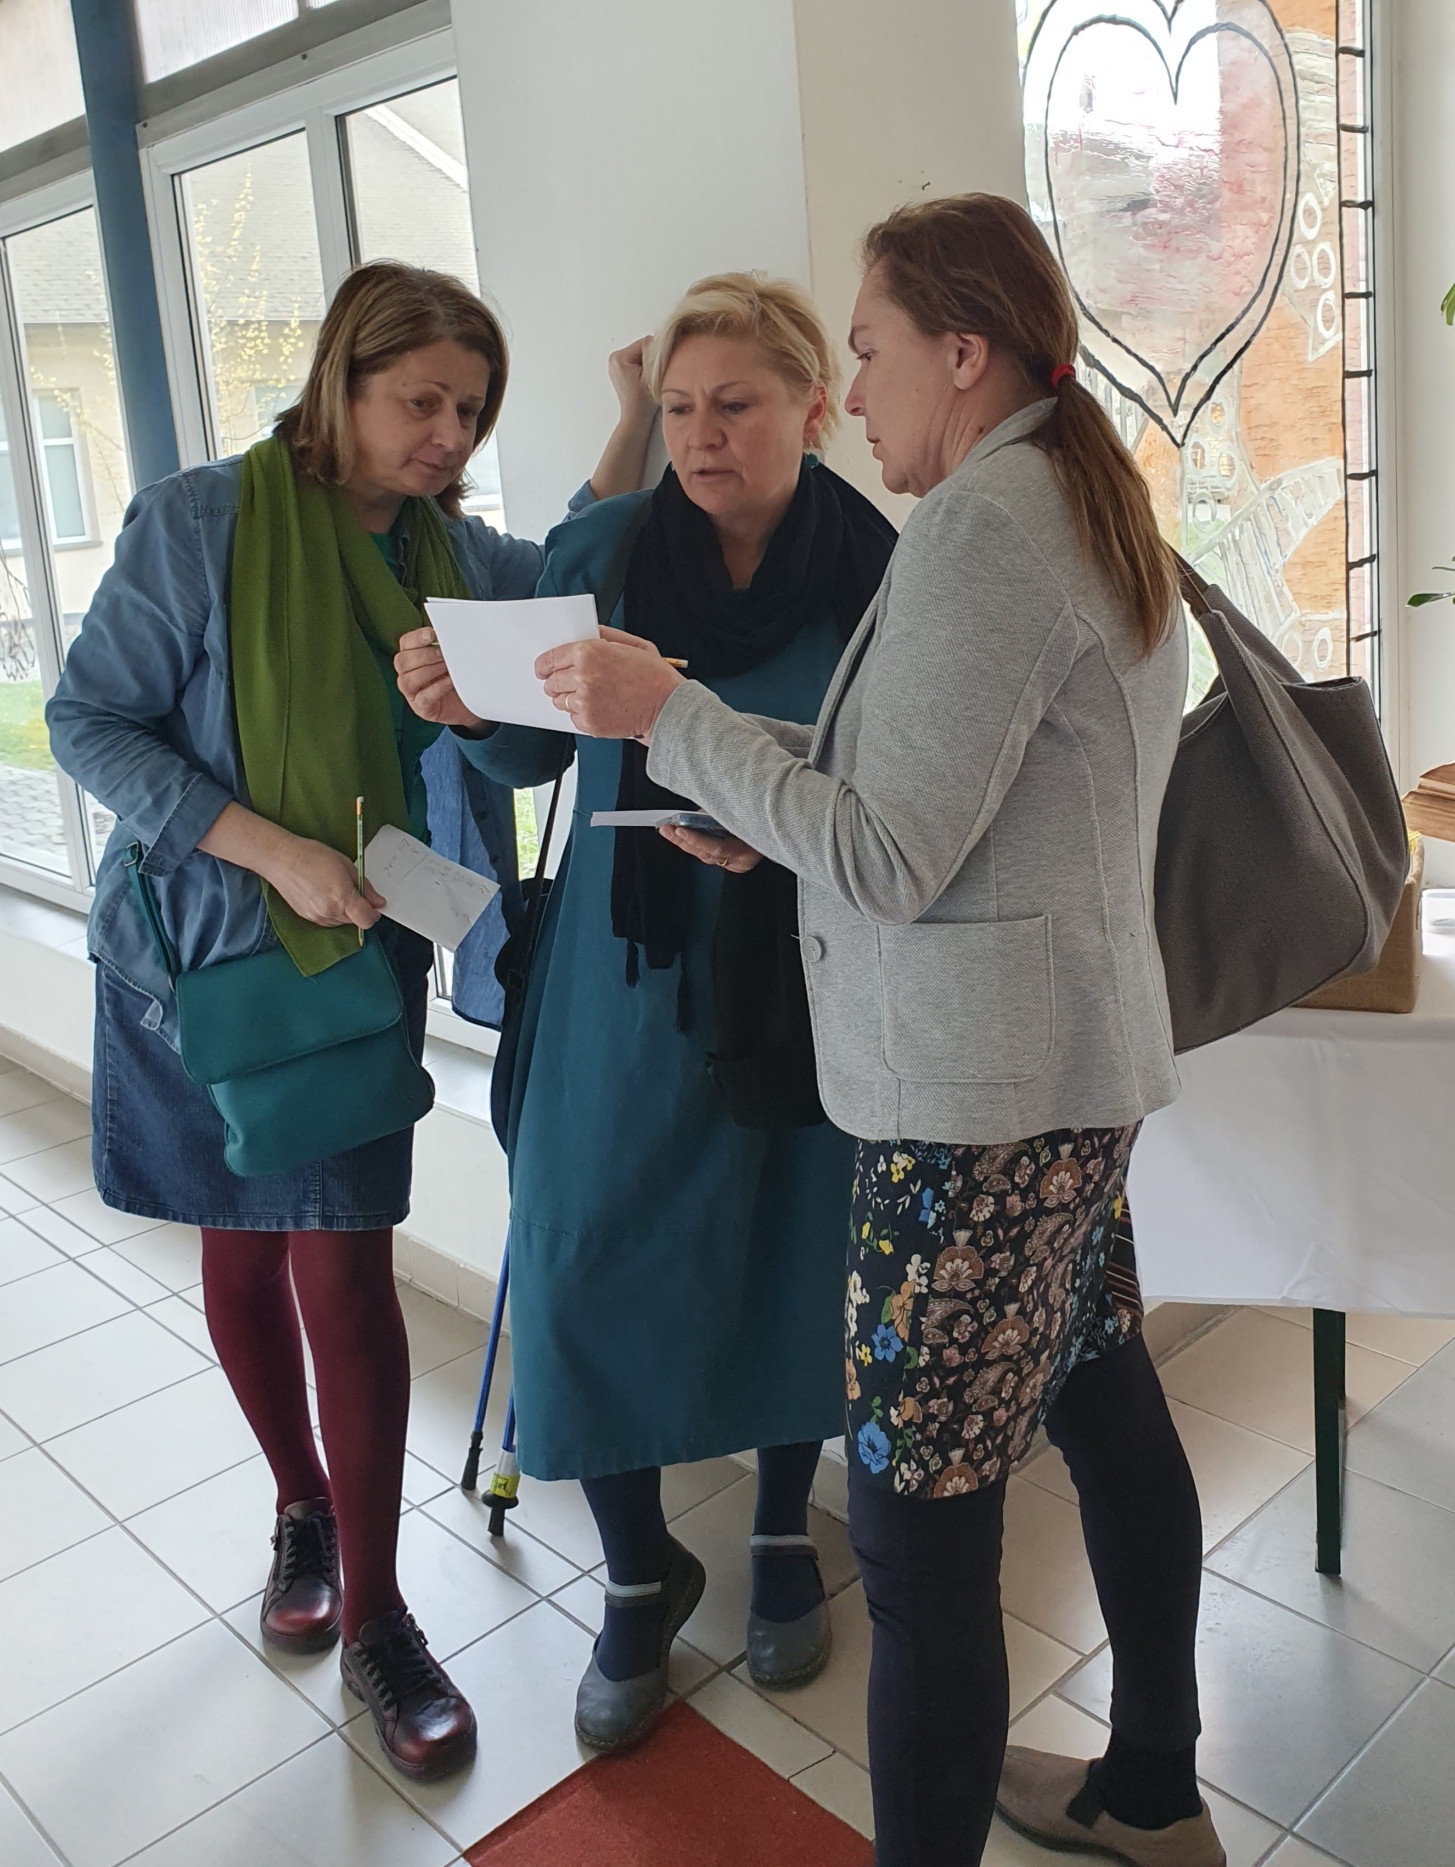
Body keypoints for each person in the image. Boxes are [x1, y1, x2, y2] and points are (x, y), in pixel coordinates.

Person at [530, 197, 1223, 1867]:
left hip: (976, 1111)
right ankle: (1152, 1783)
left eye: (867, 350)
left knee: (915, 1546)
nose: (856, 388)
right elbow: (940, 789)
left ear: (961, 353)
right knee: (1106, 1407)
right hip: (1059, 1075)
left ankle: (1122, 1794)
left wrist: (671, 718)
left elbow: (893, 853)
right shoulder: (1065, 488)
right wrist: (746, 795)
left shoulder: (989, 528)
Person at [45, 262, 651, 1784]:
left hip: (353, 975)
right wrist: (273, 852)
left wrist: (643, 415)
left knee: (345, 1271)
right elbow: (85, 721)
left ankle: (380, 1615)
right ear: (341, 382)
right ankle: (298, 1505)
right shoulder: (202, 522)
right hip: (197, 965)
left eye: (470, 410)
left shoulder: (455, 554)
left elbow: (576, 567)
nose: (447, 435)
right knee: (241, 1250)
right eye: (419, 401)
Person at [395, 273, 897, 1754]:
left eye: (734, 404)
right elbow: (528, 762)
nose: (698, 435)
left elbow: (893, 793)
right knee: (584, 1251)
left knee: (793, 1243)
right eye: (677, 407)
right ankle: (634, 1573)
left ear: (814, 407)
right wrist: (468, 712)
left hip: (806, 968)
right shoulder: (605, 549)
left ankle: (783, 1536)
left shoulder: (882, 571)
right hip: (621, 979)